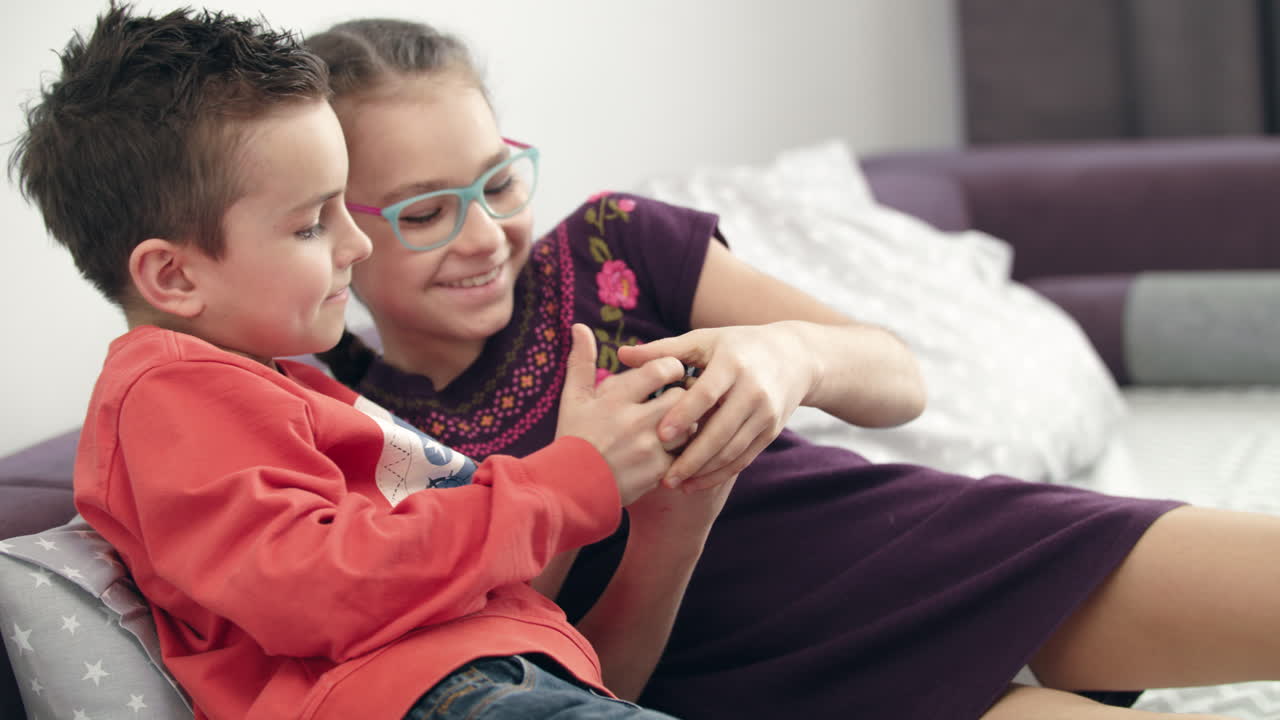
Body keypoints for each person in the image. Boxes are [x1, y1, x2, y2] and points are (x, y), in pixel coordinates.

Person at [304, 16, 1280, 720]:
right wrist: (658, 526)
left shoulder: (609, 243)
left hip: (921, 550)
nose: (482, 236)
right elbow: (571, 684)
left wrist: (787, 356)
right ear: (331, 226)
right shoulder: (347, 420)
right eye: (425, 212)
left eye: (498, 182)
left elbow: (896, 377)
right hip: (764, 684)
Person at [8, 5, 711, 719]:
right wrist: (567, 480)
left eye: (346, 209)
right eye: (312, 223)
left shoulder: (271, 387)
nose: (358, 244)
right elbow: (317, 588)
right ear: (174, 277)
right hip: (432, 696)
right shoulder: (169, 396)